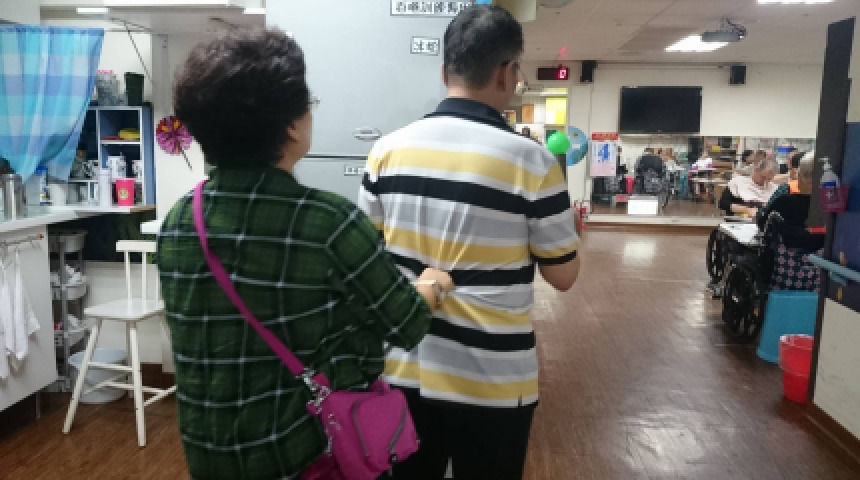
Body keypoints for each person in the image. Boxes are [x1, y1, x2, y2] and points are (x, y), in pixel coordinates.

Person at [155, 29, 453, 480]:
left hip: (210, 457)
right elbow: (406, 323)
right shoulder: (329, 222)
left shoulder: (180, 220)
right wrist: (432, 284)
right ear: (291, 125)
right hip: (302, 456)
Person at [357, 6, 580, 480]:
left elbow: (370, 263)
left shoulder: (386, 151)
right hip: (493, 378)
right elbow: (563, 276)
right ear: (507, 72)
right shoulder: (533, 162)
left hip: (406, 369)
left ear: (444, 71)